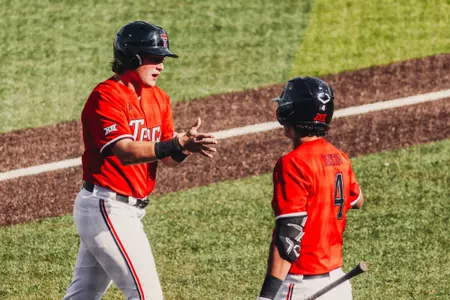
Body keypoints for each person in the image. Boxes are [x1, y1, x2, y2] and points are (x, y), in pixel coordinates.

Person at [62, 21, 217, 300]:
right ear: (133, 58)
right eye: (155, 59)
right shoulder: (106, 97)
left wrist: (185, 147)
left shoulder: (159, 98)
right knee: (147, 296)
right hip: (106, 207)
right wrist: (175, 142)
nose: (161, 66)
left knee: (82, 296)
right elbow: (125, 151)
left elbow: (167, 159)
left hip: (125, 210)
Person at [256, 77, 364, 300]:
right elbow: (358, 200)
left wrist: (266, 297)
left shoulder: (292, 163)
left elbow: (288, 238)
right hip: (338, 286)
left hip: (301, 287)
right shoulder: (339, 158)